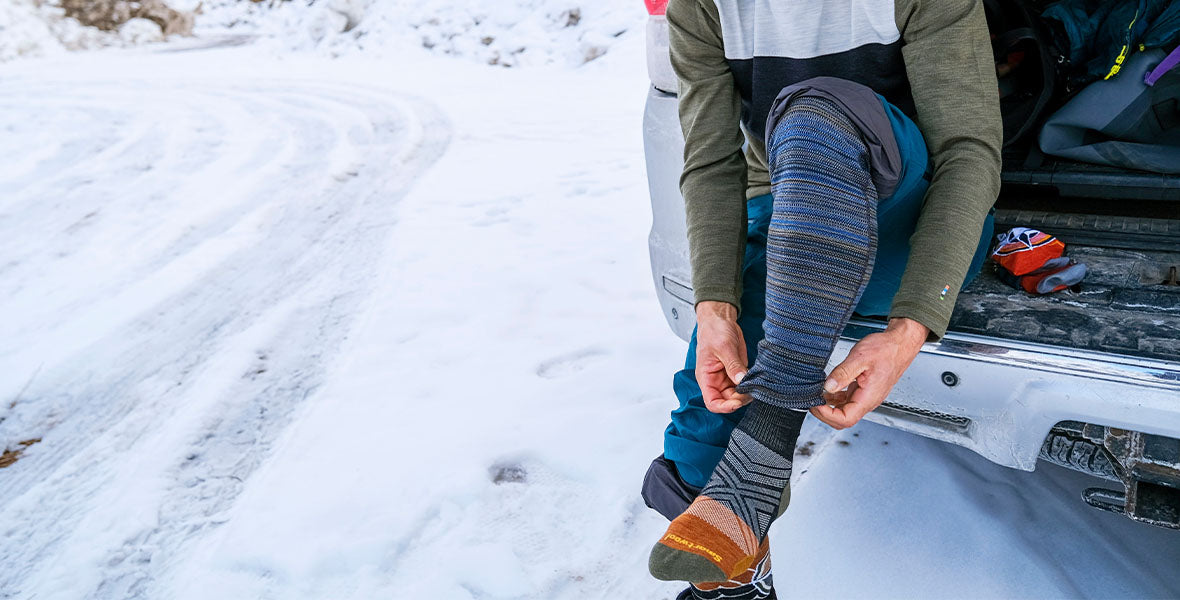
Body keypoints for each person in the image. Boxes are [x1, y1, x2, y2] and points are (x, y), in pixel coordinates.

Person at [640, 1, 1003, 598]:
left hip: (915, 222)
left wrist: (911, 325)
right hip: (789, 210)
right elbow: (711, 162)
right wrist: (715, 307)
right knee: (722, 378)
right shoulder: (703, 5)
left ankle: (770, 432)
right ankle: (732, 579)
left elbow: (969, 154)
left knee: (817, 109)